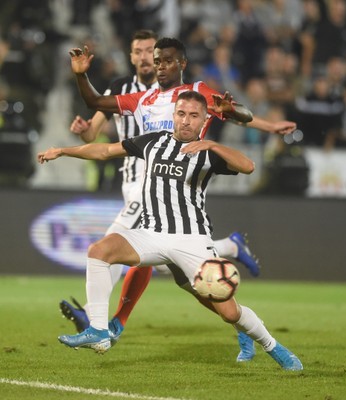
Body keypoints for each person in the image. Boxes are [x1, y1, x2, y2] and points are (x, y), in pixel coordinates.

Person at [62, 36, 297, 363]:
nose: (156, 63)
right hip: (144, 189)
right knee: (112, 253)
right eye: (150, 57)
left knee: (220, 304)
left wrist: (266, 126)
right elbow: (95, 116)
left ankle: (109, 322)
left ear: (181, 63)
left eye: (161, 58)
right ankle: (104, 325)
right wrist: (80, 77)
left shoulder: (199, 94)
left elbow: (237, 116)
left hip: (181, 204)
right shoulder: (141, 100)